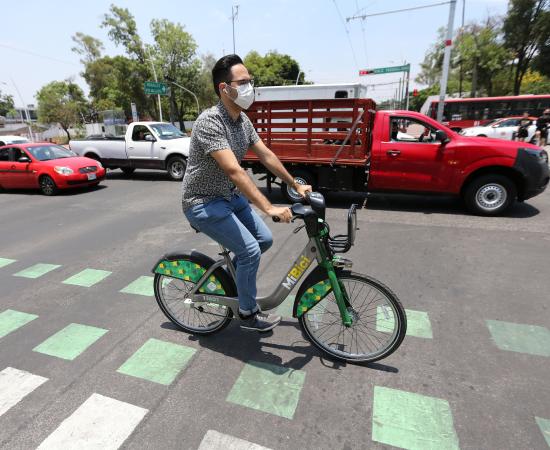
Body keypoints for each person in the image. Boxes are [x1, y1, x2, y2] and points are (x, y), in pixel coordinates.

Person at [181, 54, 312, 332]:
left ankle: (232, 280)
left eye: (250, 81)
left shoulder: (242, 120)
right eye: (242, 82)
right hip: (203, 202)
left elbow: (266, 155)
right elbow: (234, 171)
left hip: (229, 198)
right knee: (250, 251)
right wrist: (269, 207)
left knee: (263, 240)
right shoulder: (210, 121)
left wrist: (295, 184)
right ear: (224, 88)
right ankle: (247, 313)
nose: (249, 87)